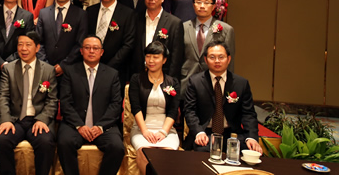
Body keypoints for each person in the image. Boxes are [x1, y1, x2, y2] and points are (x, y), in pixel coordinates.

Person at [57, 36, 124, 175]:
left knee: (117, 147)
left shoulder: (112, 74)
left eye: (95, 48)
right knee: (64, 143)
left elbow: (116, 104)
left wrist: (100, 126)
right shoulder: (70, 72)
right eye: (87, 48)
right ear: (81, 51)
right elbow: (65, 102)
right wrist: (79, 126)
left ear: (102, 52)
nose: (91, 51)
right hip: (75, 125)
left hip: (103, 126)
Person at [0, 31, 58, 175]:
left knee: (45, 142)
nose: (23, 48)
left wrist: (42, 119)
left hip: (37, 119)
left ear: (37, 47)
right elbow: (3, 97)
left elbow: (52, 100)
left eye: (28, 45)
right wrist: (5, 120)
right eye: (20, 44)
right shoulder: (9, 69)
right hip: (15, 119)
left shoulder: (48, 70)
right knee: (2, 140)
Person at [184, 40, 262, 153]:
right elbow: (190, 111)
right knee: (203, 150)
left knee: (250, 151)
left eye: (221, 57)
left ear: (228, 59)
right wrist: (199, 132)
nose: (217, 61)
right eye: (212, 57)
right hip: (206, 132)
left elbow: (248, 114)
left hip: (232, 133)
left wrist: (251, 137)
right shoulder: (195, 82)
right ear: (205, 59)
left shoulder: (241, 83)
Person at [129, 41, 180, 175]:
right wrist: (145, 131)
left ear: (164, 60)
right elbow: (136, 107)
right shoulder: (136, 79)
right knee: (144, 152)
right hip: (142, 128)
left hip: (166, 129)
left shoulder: (173, 82)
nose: (151, 60)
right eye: (148, 56)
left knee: (168, 154)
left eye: (156, 57)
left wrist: (163, 132)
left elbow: (173, 111)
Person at [181, 0, 235, 97]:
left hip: (214, 84)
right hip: (186, 83)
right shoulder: (182, 27)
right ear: (193, 5)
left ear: (214, 6)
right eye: (198, 2)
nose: (202, 6)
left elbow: (229, 62)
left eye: (206, 3)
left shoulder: (226, 29)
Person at [86, 0, 136, 85]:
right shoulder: (90, 11)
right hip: (90, 68)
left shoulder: (127, 13)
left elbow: (128, 44)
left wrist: (108, 67)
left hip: (116, 70)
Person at [37, 0, 88, 76]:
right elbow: (38, 42)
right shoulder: (43, 13)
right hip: (45, 70)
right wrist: (46, 65)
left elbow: (80, 43)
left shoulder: (81, 14)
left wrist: (63, 65)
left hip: (71, 70)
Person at [131, 0, 183, 80]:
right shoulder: (135, 19)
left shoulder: (174, 23)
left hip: (164, 77)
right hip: (138, 76)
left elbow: (176, 58)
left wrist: (170, 82)